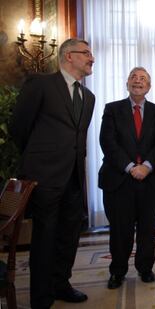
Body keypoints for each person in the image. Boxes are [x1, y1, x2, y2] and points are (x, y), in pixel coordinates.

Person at [10, 38, 95, 309]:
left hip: (73, 178)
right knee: (45, 238)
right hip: (44, 177)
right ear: (68, 56)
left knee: (69, 236)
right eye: (86, 53)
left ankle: (62, 284)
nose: (91, 58)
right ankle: (41, 297)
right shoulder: (41, 84)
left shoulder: (88, 97)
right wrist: (39, 159)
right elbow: (18, 127)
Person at [99, 67, 155, 290]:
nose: (138, 81)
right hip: (119, 179)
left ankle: (145, 268)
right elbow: (108, 143)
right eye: (134, 77)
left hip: (150, 180)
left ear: (149, 86)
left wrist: (146, 166)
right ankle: (117, 272)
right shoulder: (112, 109)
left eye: (143, 79)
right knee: (120, 230)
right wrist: (130, 167)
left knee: (148, 229)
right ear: (127, 83)